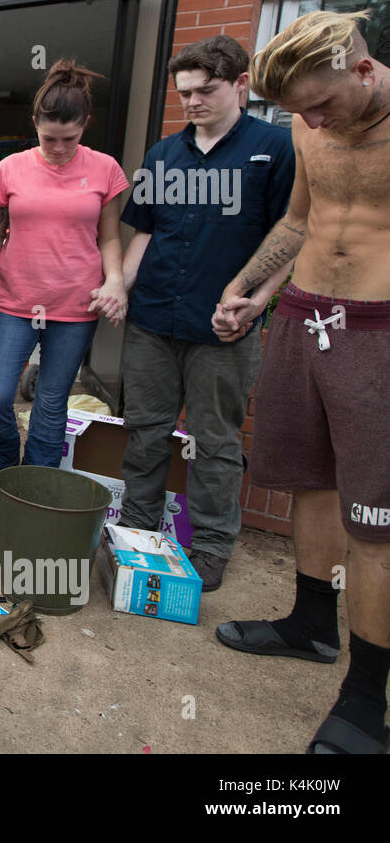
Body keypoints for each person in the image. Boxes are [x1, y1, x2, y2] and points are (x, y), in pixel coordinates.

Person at [211, 10, 390, 754]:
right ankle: (311, 624)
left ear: (363, 69)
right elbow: (298, 220)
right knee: (311, 482)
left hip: (379, 334)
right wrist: (245, 288)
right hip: (306, 315)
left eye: (321, 105)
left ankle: (363, 701)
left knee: (376, 521)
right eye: (297, 113)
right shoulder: (309, 127)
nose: (311, 122)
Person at [116, 36, 295, 591]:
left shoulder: (275, 148)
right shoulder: (163, 154)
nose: (191, 102)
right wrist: (119, 286)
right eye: (184, 92)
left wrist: (257, 304)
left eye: (205, 90)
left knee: (216, 440)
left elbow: (291, 238)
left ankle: (212, 545)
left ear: (241, 84)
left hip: (225, 329)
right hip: (152, 320)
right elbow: (145, 228)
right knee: (145, 431)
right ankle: (137, 531)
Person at [0, 61, 129, 510]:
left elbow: (110, 236)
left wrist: (114, 282)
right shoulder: (10, 169)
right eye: (49, 138)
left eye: (70, 139)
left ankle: (32, 486)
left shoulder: (105, 170)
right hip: (16, 300)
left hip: (76, 304)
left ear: (85, 127)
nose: (59, 148)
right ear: (35, 123)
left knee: (51, 403)